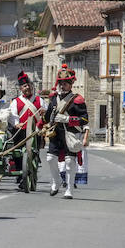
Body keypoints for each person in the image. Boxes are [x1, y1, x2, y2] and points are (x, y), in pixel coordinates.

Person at [43, 65, 88, 199]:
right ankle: (56, 181)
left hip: (70, 134)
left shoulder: (77, 100)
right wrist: (46, 119)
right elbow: (48, 117)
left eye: (66, 83)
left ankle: (69, 189)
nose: (63, 86)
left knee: (69, 162)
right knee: (50, 158)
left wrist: (67, 119)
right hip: (56, 134)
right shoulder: (53, 98)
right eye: (61, 83)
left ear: (71, 84)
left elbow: (84, 119)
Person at [7, 72, 44, 190]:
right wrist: (16, 124)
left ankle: (31, 173)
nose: (27, 88)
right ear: (21, 88)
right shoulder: (16, 102)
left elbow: (45, 114)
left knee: (34, 154)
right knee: (17, 153)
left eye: (28, 85)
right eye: (24, 86)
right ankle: (20, 173)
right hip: (20, 132)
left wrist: (43, 116)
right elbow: (12, 115)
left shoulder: (39, 100)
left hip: (35, 132)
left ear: (31, 86)